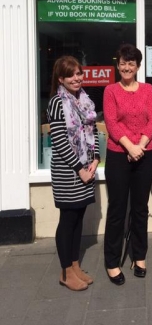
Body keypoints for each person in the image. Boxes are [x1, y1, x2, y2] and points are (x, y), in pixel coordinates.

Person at [103, 44, 152, 285]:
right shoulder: (110, 91)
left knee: (140, 208)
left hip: (145, 154)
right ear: (118, 66)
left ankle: (139, 255)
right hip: (118, 155)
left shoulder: (148, 89)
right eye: (123, 63)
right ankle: (112, 261)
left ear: (138, 66)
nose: (127, 67)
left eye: (131, 63)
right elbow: (112, 123)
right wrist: (130, 147)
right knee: (117, 210)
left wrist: (141, 145)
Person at [47, 56, 100, 291]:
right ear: (61, 78)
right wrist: (79, 169)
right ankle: (65, 271)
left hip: (86, 168)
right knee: (68, 220)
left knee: (79, 218)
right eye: (71, 75)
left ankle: (75, 266)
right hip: (69, 171)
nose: (77, 78)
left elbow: (93, 129)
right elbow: (59, 140)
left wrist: (96, 157)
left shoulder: (84, 99)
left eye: (79, 73)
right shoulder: (57, 103)